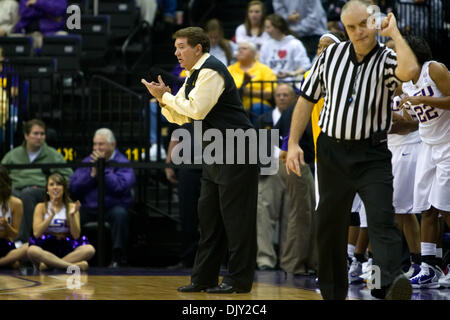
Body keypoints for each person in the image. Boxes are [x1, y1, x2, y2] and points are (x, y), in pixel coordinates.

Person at [285, 0, 420, 300]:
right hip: (332, 152)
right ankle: (334, 293)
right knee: (330, 225)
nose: (358, 32)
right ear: (344, 29)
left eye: (363, 24)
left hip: (371, 154)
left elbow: (410, 71)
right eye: (351, 27)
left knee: (381, 218)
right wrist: (293, 143)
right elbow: (306, 99)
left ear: (374, 23)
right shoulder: (329, 56)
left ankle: (386, 285)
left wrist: (395, 34)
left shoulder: (386, 59)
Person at [141, 26, 259, 293]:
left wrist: (167, 97)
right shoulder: (192, 75)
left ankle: (238, 280)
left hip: (239, 149)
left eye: (181, 46)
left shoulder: (211, 71)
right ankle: (204, 278)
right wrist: (163, 101)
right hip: (216, 150)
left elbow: (196, 109)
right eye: (175, 47)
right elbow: (180, 117)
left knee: (236, 220)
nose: (176, 52)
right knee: (209, 217)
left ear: (198, 48)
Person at [397, 36, 450, 289]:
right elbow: (408, 116)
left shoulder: (433, 69)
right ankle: (430, 267)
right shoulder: (404, 81)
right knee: (426, 207)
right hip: (428, 144)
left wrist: (423, 100)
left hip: (448, 143)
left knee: (446, 207)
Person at [69, 128, 136, 268]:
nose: (97, 148)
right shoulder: (88, 161)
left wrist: (102, 170)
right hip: (90, 207)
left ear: (113, 145)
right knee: (72, 214)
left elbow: (120, 187)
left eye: (101, 144)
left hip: (112, 207)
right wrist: (91, 175)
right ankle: (70, 256)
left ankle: (117, 258)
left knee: (120, 214)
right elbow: (73, 187)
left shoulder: (123, 162)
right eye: (95, 144)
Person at [1, 119, 73, 245]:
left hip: (41, 190)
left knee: (27, 194)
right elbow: (2, 174)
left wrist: (55, 188)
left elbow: (68, 176)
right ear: (26, 135)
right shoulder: (13, 155)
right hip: (16, 189)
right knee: (13, 195)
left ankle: (22, 239)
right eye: (36, 134)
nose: (39, 137)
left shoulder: (53, 155)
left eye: (42, 134)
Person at [27, 173, 95, 271]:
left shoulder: (71, 206)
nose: (55, 187)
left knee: (89, 249)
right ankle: (71, 266)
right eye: (51, 184)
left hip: (66, 246)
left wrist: (71, 216)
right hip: (46, 247)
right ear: (47, 190)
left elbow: (76, 235)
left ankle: (48, 266)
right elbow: (37, 234)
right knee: (32, 250)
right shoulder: (41, 207)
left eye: (59, 184)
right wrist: (50, 216)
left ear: (64, 188)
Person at [228, 41, 277, 122]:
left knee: (258, 108)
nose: (240, 51)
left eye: (244, 48)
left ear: (253, 53)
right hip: (234, 106)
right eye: (238, 49)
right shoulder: (229, 69)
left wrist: (248, 92)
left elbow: (270, 93)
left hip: (258, 106)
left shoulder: (264, 69)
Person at [259, 14, 311, 82]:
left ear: (277, 27)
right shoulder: (266, 45)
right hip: (269, 84)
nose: (266, 31)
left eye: (268, 27)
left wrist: (291, 74)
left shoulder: (295, 44)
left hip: (290, 83)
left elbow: (305, 66)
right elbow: (261, 66)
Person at [0, 165, 28, 268]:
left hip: (5, 243)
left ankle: (2, 262)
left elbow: (15, 235)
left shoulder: (16, 203)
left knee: (28, 248)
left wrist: (7, 225)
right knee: (15, 264)